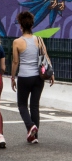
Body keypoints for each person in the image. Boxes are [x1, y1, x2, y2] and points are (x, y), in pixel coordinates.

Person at [11, 11, 53, 144]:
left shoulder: (17, 42)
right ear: (32, 25)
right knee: (34, 106)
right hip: (38, 78)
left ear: (21, 26)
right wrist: (51, 73)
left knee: (22, 105)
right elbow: (46, 56)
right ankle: (35, 136)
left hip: (24, 77)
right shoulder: (39, 39)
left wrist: (12, 77)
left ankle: (30, 126)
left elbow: (16, 62)